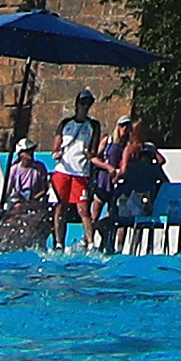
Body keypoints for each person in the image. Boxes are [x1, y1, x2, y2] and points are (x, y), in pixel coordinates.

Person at [52, 90, 104, 250]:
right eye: (82, 103)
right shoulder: (65, 123)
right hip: (63, 171)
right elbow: (56, 146)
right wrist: (57, 152)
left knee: (83, 209)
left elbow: (94, 149)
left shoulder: (93, 125)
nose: (85, 107)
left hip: (81, 172)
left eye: (88, 104)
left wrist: (90, 154)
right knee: (61, 207)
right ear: (77, 104)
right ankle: (59, 242)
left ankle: (90, 243)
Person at [0, 138, 56, 252]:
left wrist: (33, 200)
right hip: (18, 200)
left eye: (31, 151)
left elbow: (44, 189)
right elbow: (9, 190)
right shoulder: (14, 169)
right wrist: (2, 204)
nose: (30, 154)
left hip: (35, 201)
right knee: (15, 209)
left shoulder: (39, 168)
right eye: (27, 151)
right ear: (21, 154)